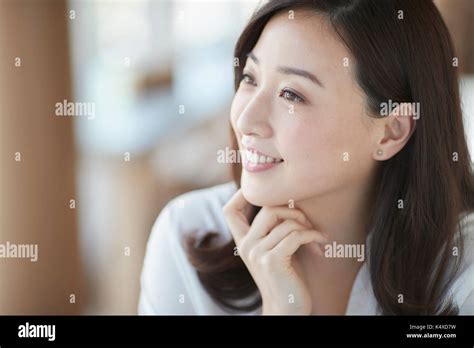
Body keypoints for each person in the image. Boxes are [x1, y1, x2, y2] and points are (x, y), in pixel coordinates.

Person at [139, 0, 474, 315]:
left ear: (391, 131)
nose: (245, 121)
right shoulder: (187, 232)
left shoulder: (464, 271)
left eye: (292, 94)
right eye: (250, 78)